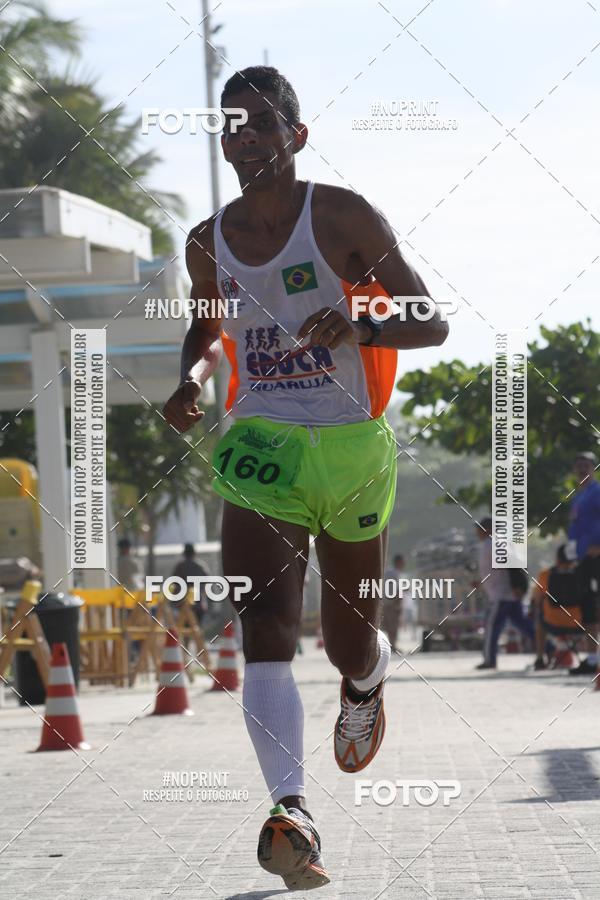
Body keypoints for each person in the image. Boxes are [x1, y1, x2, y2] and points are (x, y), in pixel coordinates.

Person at [163, 65, 448, 890]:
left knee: (347, 636)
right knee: (266, 628)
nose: (240, 134)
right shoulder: (206, 241)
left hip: (352, 448)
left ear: (296, 133)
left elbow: (429, 318)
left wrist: (359, 321)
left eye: (257, 121)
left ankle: (366, 678)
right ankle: (293, 812)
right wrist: (191, 378)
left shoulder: (343, 215)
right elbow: (204, 328)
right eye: (228, 123)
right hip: (262, 446)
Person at [473, 517, 535, 670]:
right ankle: (549, 648)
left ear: (487, 529)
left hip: (502, 595)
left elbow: (512, 565)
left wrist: (517, 585)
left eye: (479, 529)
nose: (477, 532)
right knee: (524, 625)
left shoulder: (492, 544)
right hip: (506, 593)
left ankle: (490, 660)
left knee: (492, 626)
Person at [566, 452, 600, 675]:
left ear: (593, 468)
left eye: (585, 465)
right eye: (578, 466)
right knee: (588, 608)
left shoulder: (597, 492)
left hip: (597, 555)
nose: (581, 470)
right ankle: (592, 659)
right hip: (582, 558)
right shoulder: (578, 497)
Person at [171, 543, 209, 627]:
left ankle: (186, 640)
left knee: (184, 629)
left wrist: (173, 601)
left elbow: (174, 584)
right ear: (194, 553)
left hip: (182, 603)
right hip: (198, 603)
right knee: (197, 629)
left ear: (184, 554)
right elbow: (206, 585)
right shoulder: (201, 566)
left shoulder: (179, 567)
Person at [382, 552, 405, 652]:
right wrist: (398, 604)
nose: (404, 564)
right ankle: (393, 647)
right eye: (403, 562)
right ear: (398, 562)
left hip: (384, 603)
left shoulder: (387, 572)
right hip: (393, 604)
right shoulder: (396, 573)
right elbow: (398, 590)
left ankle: (391, 646)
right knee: (393, 627)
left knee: (387, 626)